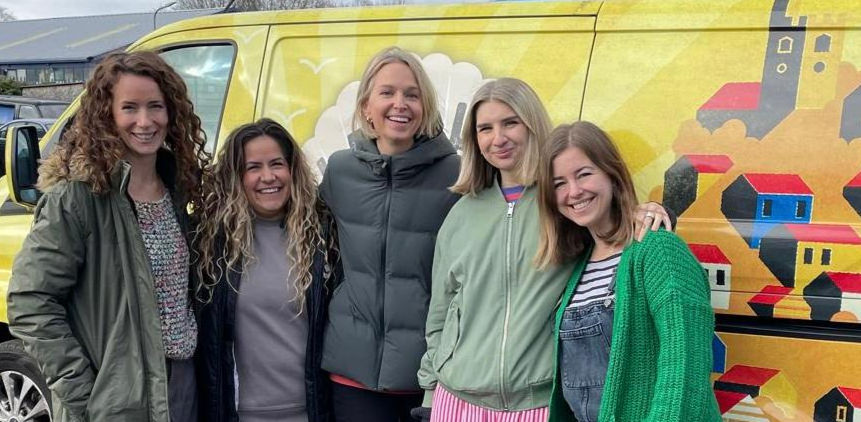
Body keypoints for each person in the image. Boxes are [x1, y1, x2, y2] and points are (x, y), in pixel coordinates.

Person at [416, 78, 671, 422]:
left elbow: (614, 232)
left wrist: (648, 209)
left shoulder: (564, 202)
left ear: (532, 124)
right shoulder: (461, 213)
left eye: (510, 122)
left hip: (539, 404)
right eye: (485, 128)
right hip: (457, 399)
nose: (498, 138)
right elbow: (441, 313)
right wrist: (431, 393)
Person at [7, 51, 209, 422]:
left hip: (182, 386)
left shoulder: (178, 189)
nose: (145, 121)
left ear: (172, 112)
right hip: (116, 399)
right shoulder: (76, 198)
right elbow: (29, 302)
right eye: (129, 107)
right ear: (106, 115)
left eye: (156, 106)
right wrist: (86, 394)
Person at [536, 121, 720, 422]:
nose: (574, 191)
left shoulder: (658, 250)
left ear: (612, 175)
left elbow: (685, 366)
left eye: (584, 174)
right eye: (559, 184)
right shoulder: (576, 264)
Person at [319, 46, 461, 422]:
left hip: (428, 374)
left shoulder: (458, 176)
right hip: (353, 375)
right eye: (387, 93)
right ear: (366, 106)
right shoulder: (339, 171)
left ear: (425, 105)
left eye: (412, 94)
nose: (400, 104)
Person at [194, 118, 340, 422]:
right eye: (253, 167)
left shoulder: (322, 236)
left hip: (310, 411)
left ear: (292, 169)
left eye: (277, 164)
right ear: (236, 176)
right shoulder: (210, 244)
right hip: (240, 414)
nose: (268, 176)